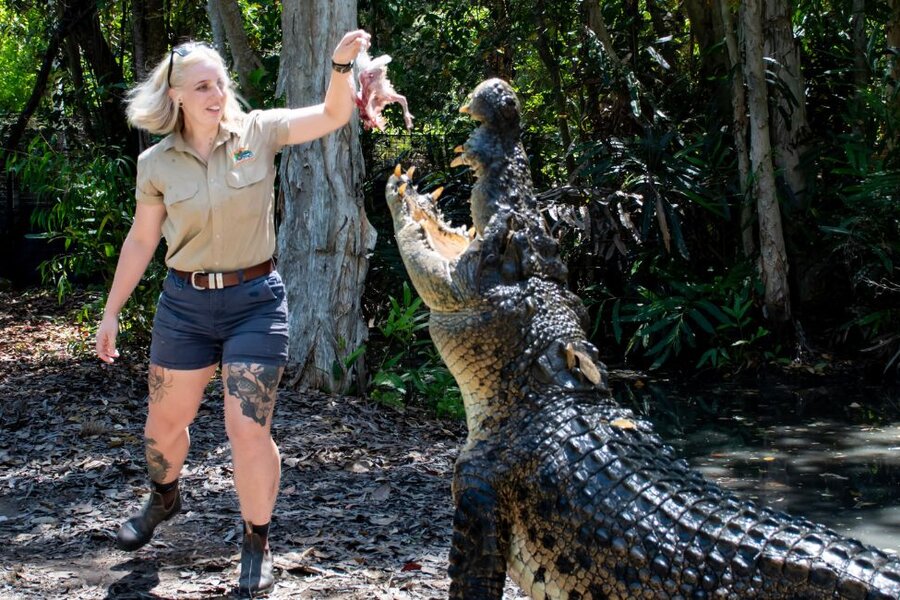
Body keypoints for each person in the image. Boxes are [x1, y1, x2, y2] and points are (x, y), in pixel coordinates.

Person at [95, 29, 371, 596]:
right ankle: (164, 496)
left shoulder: (258, 130)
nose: (216, 93)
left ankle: (256, 542)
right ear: (176, 95)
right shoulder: (156, 163)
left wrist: (342, 66)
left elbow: (330, 114)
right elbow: (143, 240)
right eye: (202, 86)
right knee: (163, 430)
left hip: (255, 303)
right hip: (184, 307)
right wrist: (112, 311)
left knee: (248, 430)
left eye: (220, 83)